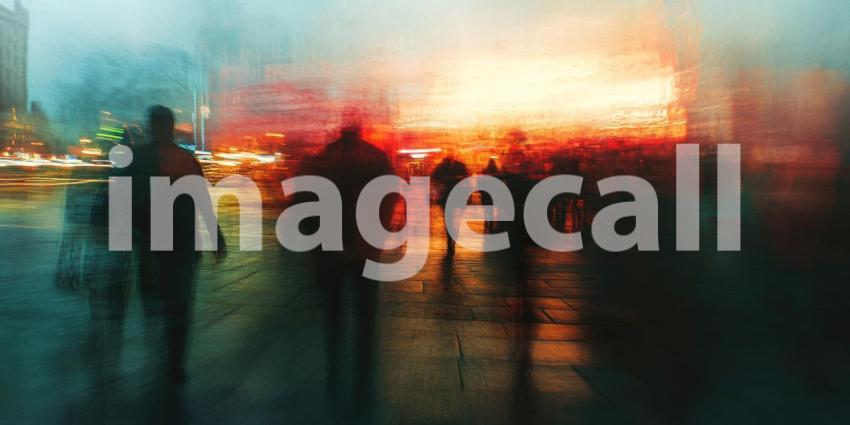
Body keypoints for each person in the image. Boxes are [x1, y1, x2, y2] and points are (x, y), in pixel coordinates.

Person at [297, 108, 395, 417]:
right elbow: (389, 196)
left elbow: (305, 199)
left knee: (334, 310)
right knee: (364, 310)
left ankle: (335, 361)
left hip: (332, 248)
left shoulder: (325, 157)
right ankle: (362, 367)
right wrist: (377, 234)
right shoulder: (375, 157)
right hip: (362, 247)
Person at [118, 105, 226, 384]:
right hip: (181, 243)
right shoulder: (185, 159)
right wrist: (216, 236)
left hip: (154, 243)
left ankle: (166, 355)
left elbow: (123, 202)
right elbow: (202, 200)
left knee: (157, 301)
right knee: (178, 302)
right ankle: (174, 361)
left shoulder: (138, 159)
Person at [430, 154, 469, 256]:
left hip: (447, 197)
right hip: (456, 197)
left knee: (449, 220)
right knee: (454, 220)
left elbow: (434, 177)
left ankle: (451, 238)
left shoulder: (441, 168)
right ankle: (452, 237)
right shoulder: (459, 167)